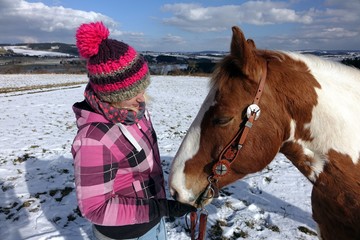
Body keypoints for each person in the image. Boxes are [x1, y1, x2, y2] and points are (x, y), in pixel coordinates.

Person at [71, 22, 196, 240]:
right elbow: (95, 209)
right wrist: (158, 209)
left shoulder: (135, 111)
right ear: (112, 94)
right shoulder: (94, 140)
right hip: (127, 234)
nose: (142, 97)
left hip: (152, 222)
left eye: (143, 88)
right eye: (134, 92)